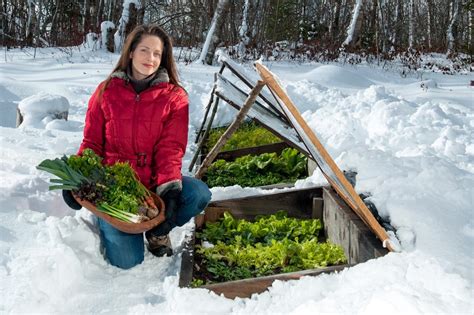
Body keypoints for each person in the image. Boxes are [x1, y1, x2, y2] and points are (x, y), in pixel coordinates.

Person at [62, 24, 212, 269]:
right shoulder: (106, 91)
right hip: (114, 187)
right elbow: (92, 142)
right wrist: (78, 178)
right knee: (127, 262)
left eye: (157, 53)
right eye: (144, 50)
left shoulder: (174, 97)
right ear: (130, 52)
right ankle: (107, 221)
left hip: (152, 183)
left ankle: (157, 232)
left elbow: (170, 149)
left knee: (198, 194)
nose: (150, 58)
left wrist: (170, 192)